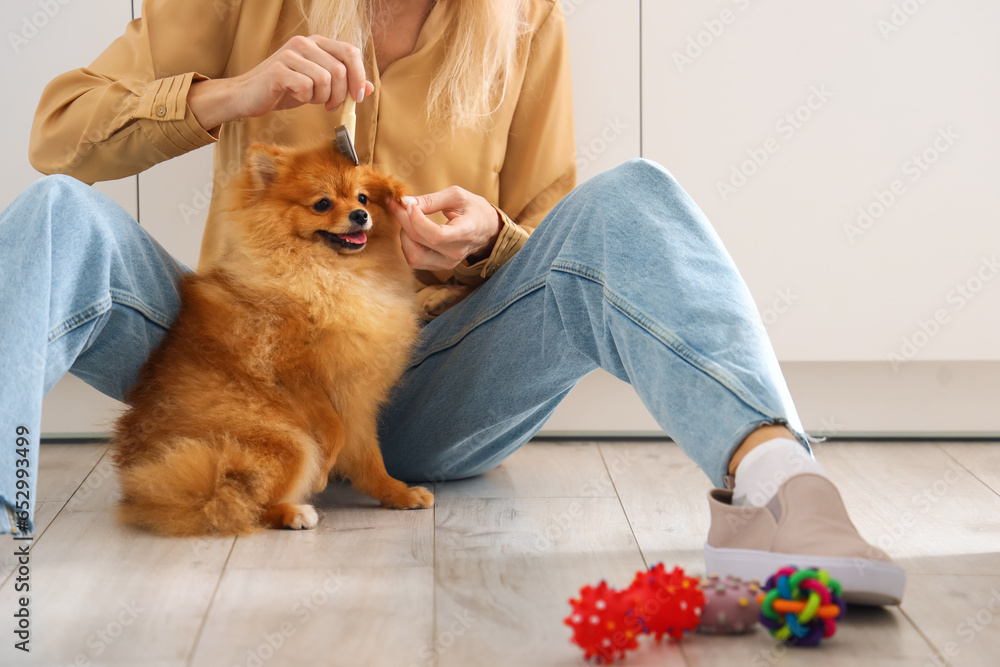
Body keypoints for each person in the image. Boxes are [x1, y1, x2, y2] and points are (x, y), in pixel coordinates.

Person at [0, 0, 904, 604]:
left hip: (433, 387)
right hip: (240, 370)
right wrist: (230, 95)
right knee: (56, 214)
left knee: (635, 194)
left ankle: (781, 487)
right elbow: (57, 134)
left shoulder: (526, 16)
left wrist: (490, 240)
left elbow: (566, 234)